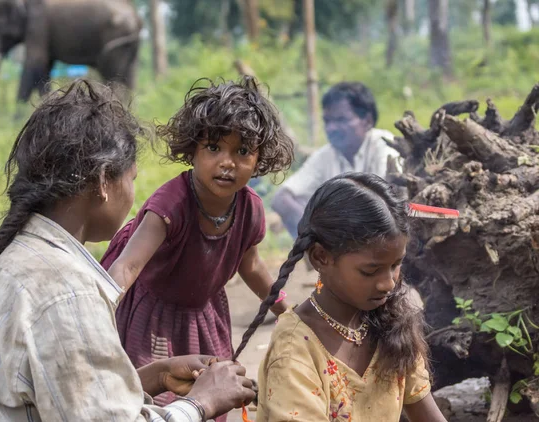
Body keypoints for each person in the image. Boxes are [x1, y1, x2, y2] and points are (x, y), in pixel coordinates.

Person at [0, 80, 255, 422]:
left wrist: (157, 375)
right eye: (132, 178)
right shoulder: (66, 292)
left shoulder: (21, 259)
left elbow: (67, 396)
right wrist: (202, 402)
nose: (134, 194)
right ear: (105, 182)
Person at [100, 76, 294, 416]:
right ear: (192, 150)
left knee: (209, 391)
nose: (227, 162)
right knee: (150, 397)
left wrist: (288, 314)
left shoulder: (250, 210)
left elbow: (251, 267)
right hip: (152, 312)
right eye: (214, 148)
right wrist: (94, 313)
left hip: (202, 312)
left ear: (260, 159)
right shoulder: (170, 206)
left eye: (243, 151)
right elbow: (127, 266)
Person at [233, 173, 447, 421]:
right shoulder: (295, 350)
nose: (388, 283)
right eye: (370, 270)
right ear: (321, 257)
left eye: (396, 265)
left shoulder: (392, 321)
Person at [272, 81, 401, 239]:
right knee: (295, 203)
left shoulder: (383, 146)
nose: (331, 128)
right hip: (336, 243)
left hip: (380, 241)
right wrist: (312, 229)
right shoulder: (325, 155)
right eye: (327, 121)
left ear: (367, 121)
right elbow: (281, 198)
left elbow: (384, 202)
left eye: (341, 120)